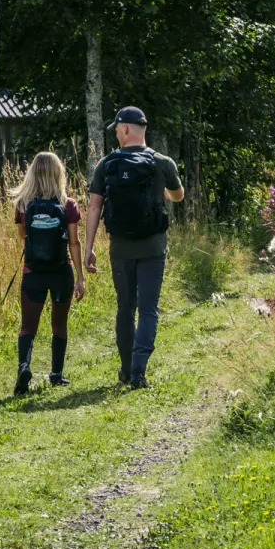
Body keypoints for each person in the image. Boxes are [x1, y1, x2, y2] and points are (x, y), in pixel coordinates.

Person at [84, 106, 184, 390]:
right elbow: (179, 196)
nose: (116, 134)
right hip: (153, 246)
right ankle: (139, 373)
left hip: (120, 249)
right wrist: (164, 191)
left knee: (125, 308)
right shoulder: (162, 162)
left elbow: (94, 206)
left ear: (125, 128)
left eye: (116, 129)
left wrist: (89, 248)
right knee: (149, 309)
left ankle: (126, 370)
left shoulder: (106, 164)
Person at [10, 151, 86, 395]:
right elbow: (74, 243)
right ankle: (56, 374)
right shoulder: (68, 205)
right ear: (58, 174)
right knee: (59, 325)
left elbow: (23, 236)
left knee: (27, 327)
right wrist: (80, 277)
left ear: (32, 174)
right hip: (60, 272)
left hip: (33, 272)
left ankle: (24, 366)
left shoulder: (23, 204)